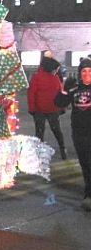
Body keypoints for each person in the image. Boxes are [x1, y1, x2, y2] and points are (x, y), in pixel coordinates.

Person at [55, 57, 91, 210]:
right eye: (84, 71)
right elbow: (59, 103)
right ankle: (88, 192)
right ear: (79, 73)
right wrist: (64, 89)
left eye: (90, 71)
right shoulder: (74, 88)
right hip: (79, 132)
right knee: (85, 163)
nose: (87, 74)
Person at [28, 56, 67, 159]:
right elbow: (60, 93)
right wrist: (62, 107)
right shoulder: (55, 78)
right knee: (56, 130)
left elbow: (31, 94)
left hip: (39, 110)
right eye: (56, 70)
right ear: (51, 68)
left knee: (40, 132)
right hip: (52, 110)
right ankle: (62, 149)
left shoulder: (36, 77)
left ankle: (39, 153)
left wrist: (32, 108)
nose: (56, 72)